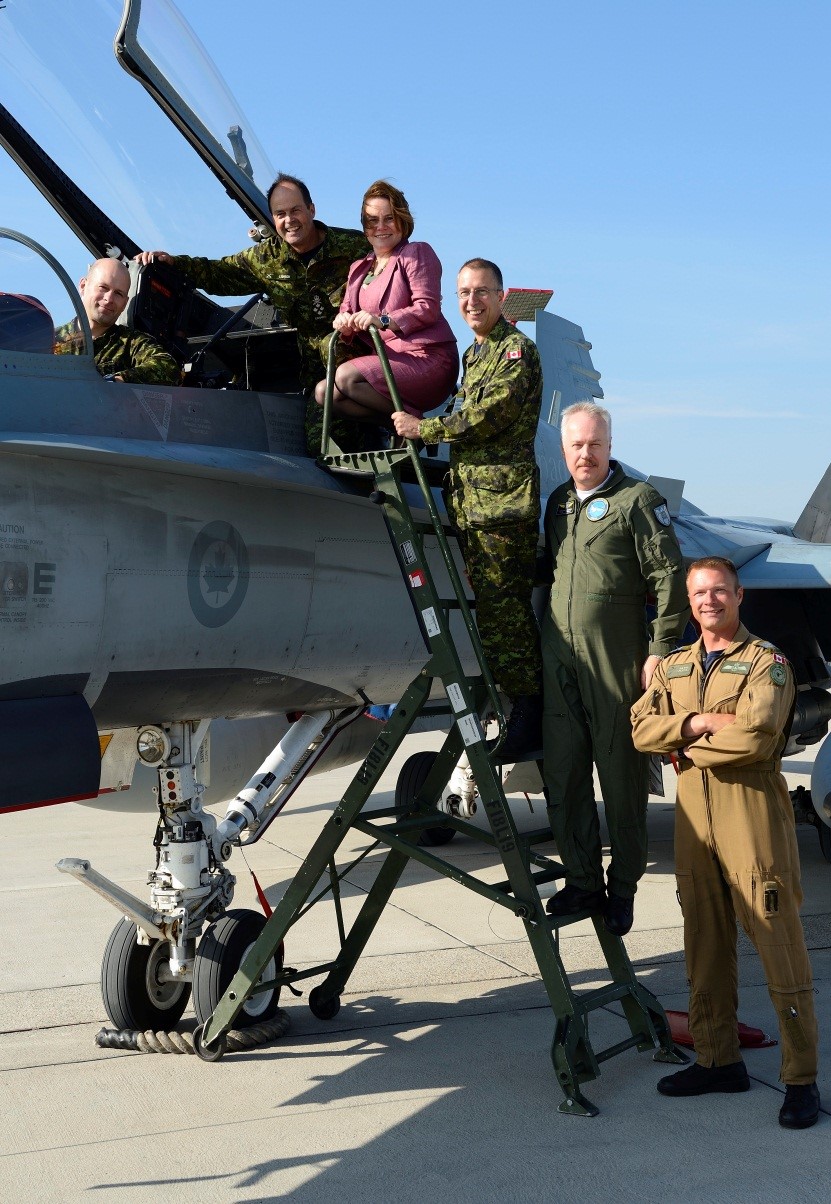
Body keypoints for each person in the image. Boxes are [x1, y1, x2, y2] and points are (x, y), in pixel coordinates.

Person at [631, 557, 820, 1129]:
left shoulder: (768, 663)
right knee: (703, 945)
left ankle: (800, 1079)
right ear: (689, 602)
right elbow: (640, 729)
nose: (708, 601)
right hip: (693, 818)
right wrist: (695, 725)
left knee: (777, 943)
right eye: (698, 593)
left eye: (718, 591)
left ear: (739, 596)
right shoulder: (676, 664)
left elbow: (757, 740)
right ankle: (717, 1060)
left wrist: (680, 744)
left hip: (751, 815)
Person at [542, 401, 688, 936]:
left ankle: (621, 889)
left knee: (621, 775)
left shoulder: (637, 500)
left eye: (595, 444)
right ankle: (581, 880)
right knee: (564, 771)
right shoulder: (558, 503)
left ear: (609, 446)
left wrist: (660, 647)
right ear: (565, 450)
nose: (586, 453)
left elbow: (671, 576)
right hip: (559, 655)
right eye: (577, 445)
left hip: (617, 654)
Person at [392, 258, 543, 760]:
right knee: (492, 618)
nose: (472, 301)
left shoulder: (516, 351)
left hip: (502, 510)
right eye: (463, 293)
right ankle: (517, 707)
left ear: (501, 297)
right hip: (474, 509)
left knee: (506, 616)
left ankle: (530, 715)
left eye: (481, 292)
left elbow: (486, 416)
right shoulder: (476, 354)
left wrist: (424, 429)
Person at [135, 173, 369, 451]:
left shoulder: (355, 247)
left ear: (311, 209)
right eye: (280, 214)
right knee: (322, 444)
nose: (289, 220)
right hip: (320, 375)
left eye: (295, 210)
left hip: (364, 363)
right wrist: (172, 263)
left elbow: (396, 274)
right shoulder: (266, 259)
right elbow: (219, 273)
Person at [313, 180, 458, 425]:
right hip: (386, 361)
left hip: (426, 359)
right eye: (372, 220)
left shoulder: (416, 253)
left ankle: (415, 422)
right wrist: (343, 322)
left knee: (346, 377)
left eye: (389, 218)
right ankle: (401, 424)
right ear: (364, 226)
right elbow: (346, 310)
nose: (381, 227)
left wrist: (382, 321)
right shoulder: (358, 269)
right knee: (325, 393)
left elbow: (427, 308)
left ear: (402, 221)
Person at [55, 259, 179, 384]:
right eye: (103, 287)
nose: (109, 299)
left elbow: (169, 367)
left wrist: (119, 380)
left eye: (118, 294)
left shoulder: (131, 343)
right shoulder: (49, 339)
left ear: (125, 303)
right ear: (83, 286)